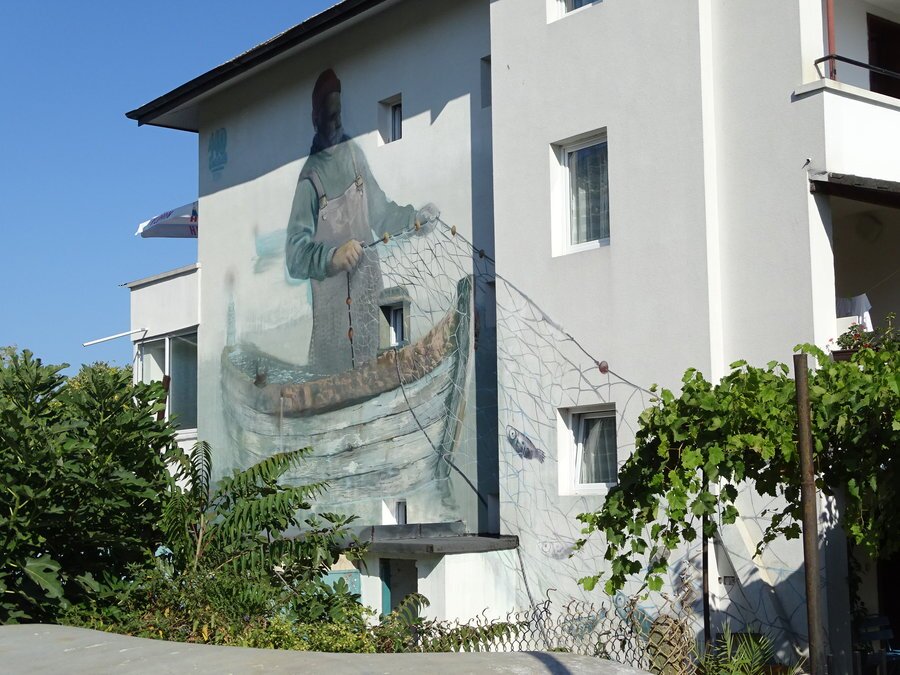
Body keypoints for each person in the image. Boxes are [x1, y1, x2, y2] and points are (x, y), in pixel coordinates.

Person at [285, 68, 439, 375]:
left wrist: (414, 219)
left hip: (371, 309)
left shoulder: (355, 156)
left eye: (339, 114)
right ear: (316, 119)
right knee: (335, 382)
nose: (337, 123)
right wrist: (332, 257)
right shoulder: (309, 179)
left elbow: (381, 212)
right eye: (330, 117)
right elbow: (294, 255)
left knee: (377, 372)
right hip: (333, 329)